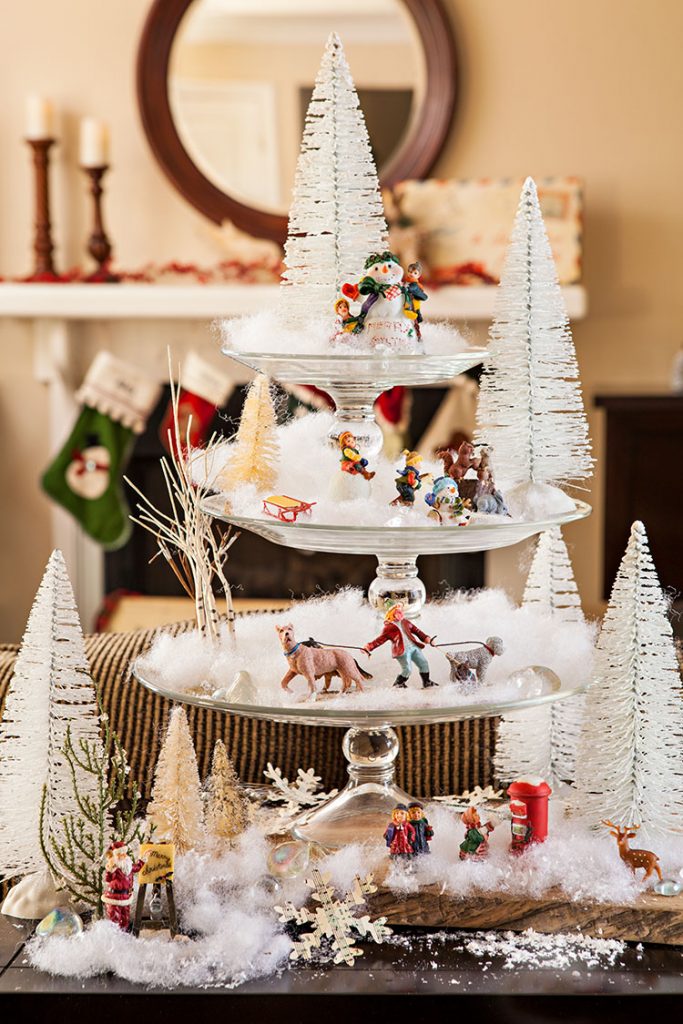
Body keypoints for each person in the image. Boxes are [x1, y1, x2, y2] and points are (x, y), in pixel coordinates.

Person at [363, 601, 437, 688]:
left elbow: (417, 631)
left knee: (423, 663)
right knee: (407, 669)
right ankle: (398, 684)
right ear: (392, 613)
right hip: (403, 651)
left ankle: (427, 682)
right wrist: (369, 646)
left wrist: (427, 639)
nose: (400, 613)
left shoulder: (405, 622)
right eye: (397, 611)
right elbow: (379, 640)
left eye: (401, 611)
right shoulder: (388, 628)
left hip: (414, 647)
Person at [403, 261, 428, 339]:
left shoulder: (414, 284)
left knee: (415, 318)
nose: (412, 274)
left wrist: (406, 288)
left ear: (419, 275)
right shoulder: (406, 281)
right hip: (407, 301)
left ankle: (417, 335)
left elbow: (413, 288)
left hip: (413, 303)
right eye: (410, 272)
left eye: (415, 273)